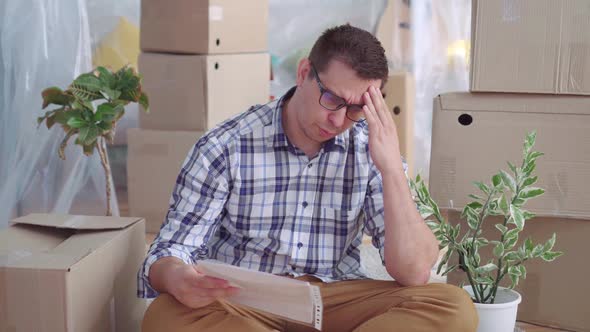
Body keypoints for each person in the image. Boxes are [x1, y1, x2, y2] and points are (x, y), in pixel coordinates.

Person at [138, 24, 478, 332]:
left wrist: (390, 167)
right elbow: (170, 251)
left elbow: (414, 272)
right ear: (304, 73)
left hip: (334, 298)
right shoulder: (225, 146)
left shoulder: (368, 148)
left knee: (452, 306)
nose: (339, 120)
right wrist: (178, 276)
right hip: (244, 303)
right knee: (165, 315)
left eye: (357, 108)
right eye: (332, 99)